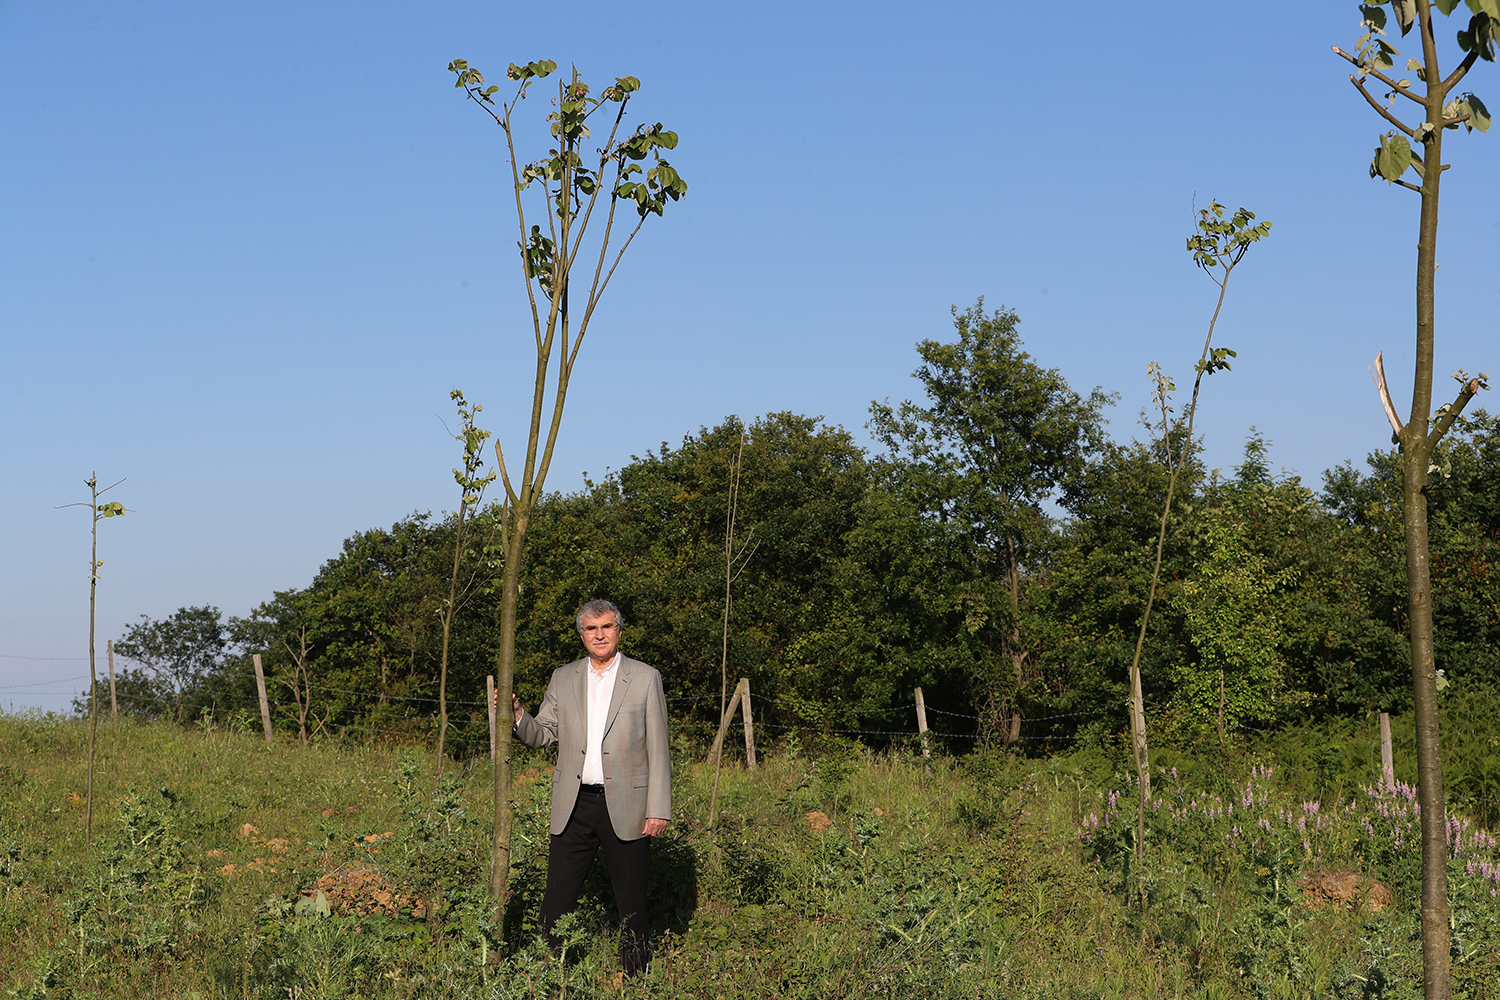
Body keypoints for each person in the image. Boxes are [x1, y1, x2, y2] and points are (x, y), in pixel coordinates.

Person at [511, 599, 671, 975]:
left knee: (631, 901)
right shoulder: (563, 677)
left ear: (619, 630)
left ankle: (636, 977)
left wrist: (658, 807)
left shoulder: (646, 677)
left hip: (629, 805)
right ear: (581, 634)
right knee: (557, 898)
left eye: (607, 627)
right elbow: (543, 735)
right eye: (590, 628)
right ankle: (550, 974)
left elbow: (658, 747)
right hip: (574, 804)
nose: (599, 635)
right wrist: (519, 716)